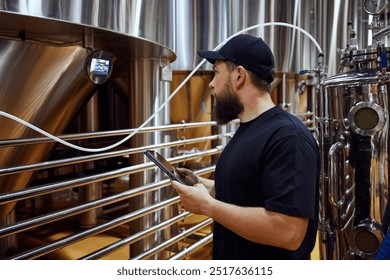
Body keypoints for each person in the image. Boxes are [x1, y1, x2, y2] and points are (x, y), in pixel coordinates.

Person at [171, 34, 320, 260]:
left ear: (239, 75)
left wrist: (208, 206)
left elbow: (288, 232)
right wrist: (201, 184)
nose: (211, 83)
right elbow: (245, 193)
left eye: (217, 72)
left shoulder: (289, 137)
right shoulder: (248, 129)